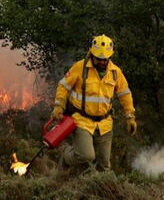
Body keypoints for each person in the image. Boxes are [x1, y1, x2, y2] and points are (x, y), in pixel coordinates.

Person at [51, 34, 137, 173]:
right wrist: (58, 106)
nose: (103, 62)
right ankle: (65, 155)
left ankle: (97, 191)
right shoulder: (80, 67)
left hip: (105, 124)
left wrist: (130, 117)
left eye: (106, 59)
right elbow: (63, 86)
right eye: (99, 59)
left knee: (104, 166)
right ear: (92, 53)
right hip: (81, 121)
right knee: (86, 156)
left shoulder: (115, 72)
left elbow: (125, 95)